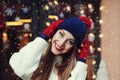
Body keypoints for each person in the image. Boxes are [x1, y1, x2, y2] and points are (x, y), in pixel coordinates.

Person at [9, 16, 92, 80]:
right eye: (61, 34)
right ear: (54, 32)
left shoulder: (74, 69)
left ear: (73, 47)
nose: (61, 43)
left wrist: (82, 60)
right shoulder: (38, 53)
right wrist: (43, 37)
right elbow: (21, 70)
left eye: (70, 42)